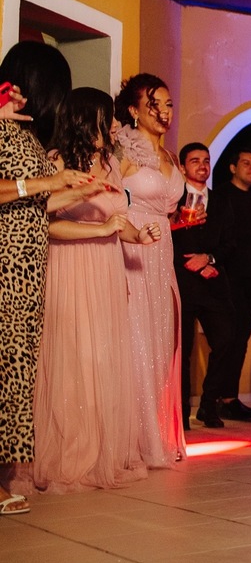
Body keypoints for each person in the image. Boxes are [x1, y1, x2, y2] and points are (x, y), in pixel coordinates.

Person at [34, 88, 159, 492]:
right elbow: (44, 223)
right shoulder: (56, 162)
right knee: (75, 356)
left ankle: (101, 449)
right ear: (86, 120)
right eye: (107, 118)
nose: (115, 127)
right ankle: (70, 451)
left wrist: (139, 235)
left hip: (105, 267)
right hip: (69, 266)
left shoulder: (110, 164)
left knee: (103, 356)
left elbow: (118, 220)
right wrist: (99, 230)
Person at [0, 42, 97, 516]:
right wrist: (45, 183)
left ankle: (2, 478)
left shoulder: (27, 135)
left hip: (28, 270)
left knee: (15, 375)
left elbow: (36, 205)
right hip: (5, 266)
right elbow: (25, 190)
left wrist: (78, 190)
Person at [115, 73, 187, 467]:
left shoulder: (171, 157)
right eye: (153, 105)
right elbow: (108, 197)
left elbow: (167, 210)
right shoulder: (124, 150)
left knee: (160, 340)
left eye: (168, 104)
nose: (163, 112)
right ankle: (128, 438)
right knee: (136, 338)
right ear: (134, 110)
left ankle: (152, 434)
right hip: (133, 250)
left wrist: (180, 221)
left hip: (163, 254)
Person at [172, 142, 237, 430]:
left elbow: (230, 243)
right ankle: (182, 411)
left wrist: (209, 258)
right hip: (182, 282)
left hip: (213, 283)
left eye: (206, 160)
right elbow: (165, 238)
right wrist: (191, 263)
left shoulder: (221, 200)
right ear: (182, 166)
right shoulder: (173, 199)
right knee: (183, 349)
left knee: (226, 339)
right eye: (195, 160)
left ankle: (209, 405)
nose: (202, 165)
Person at [213, 149, 251, 420]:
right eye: (246, 163)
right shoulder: (220, 196)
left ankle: (229, 397)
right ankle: (216, 398)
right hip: (225, 278)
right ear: (233, 167)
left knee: (241, 340)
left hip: (250, 281)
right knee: (226, 339)